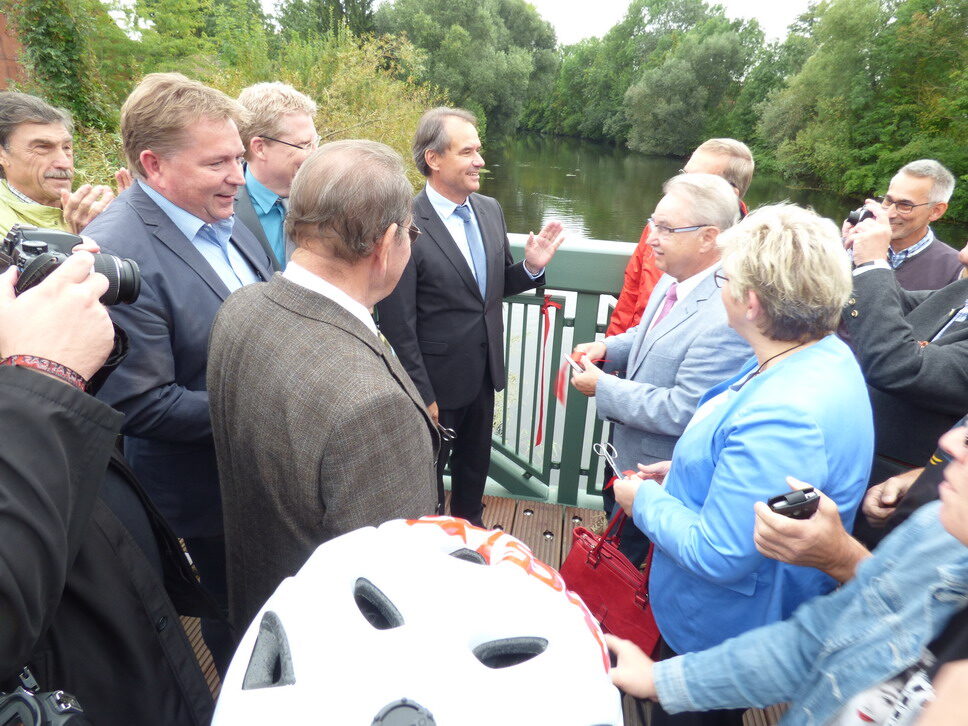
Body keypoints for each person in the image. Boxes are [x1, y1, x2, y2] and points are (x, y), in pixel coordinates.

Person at [611, 203, 873, 726]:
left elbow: (722, 554)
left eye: (724, 278)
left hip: (716, 632)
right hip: (734, 621)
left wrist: (644, 502)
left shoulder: (786, 413)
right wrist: (684, 473)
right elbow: (749, 475)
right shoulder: (820, 356)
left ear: (750, 301)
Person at [84, 72, 275, 672]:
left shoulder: (227, 216)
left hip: (264, 475)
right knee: (242, 632)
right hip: (208, 495)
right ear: (153, 165)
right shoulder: (114, 254)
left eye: (240, 158)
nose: (238, 178)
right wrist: (279, 409)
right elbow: (141, 404)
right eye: (218, 162)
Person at [208, 140, 439, 629]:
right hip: (325, 651)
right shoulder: (375, 409)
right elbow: (391, 596)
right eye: (411, 234)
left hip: (255, 615)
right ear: (385, 242)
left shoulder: (239, 310)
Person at [606, 423, 968, 726]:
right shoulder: (935, 534)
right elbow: (815, 640)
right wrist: (663, 680)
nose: (950, 440)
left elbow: (721, 554)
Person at [0, 251, 216, 725]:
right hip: (78, 682)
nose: (234, 178)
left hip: (132, 627)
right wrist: (42, 373)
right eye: (216, 167)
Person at [375, 107, 564, 526]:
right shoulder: (404, 221)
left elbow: (489, 290)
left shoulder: (490, 210)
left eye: (478, 150)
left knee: (473, 475)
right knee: (423, 482)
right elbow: (396, 322)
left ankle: (470, 538)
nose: (480, 160)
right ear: (434, 159)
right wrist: (423, 395)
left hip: (483, 375)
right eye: (467, 151)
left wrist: (531, 269)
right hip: (435, 388)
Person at [571, 174, 751, 562]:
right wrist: (607, 347)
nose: (651, 237)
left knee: (638, 575)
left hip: (666, 482)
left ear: (709, 237)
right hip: (630, 467)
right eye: (654, 222)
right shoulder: (676, 277)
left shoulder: (727, 313)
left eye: (666, 228)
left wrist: (602, 387)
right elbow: (648, 334)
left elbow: (685, 409)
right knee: (620, 556)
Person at [843, 201, 968, 546]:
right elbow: (890, 301)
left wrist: (872, 262)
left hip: (907, 506)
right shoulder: (963, 291)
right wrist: (856, 256)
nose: (962, 256)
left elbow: (899, 365)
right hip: (859, 471)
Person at [606, 138, 753, 337]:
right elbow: (630, 296)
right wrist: (610, 355)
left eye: (697, 181)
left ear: (730, 193)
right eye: (684, 174)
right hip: (635, 351)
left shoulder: (753, 256)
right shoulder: (659, 227)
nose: (682, 185)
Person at [0, 91, 114, 235]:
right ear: (2, 154)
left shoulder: (89, 212)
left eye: (67, 148)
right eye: (42, 147)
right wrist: (83, 236)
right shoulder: (5, 226)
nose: (64, 163)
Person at [235, 81, 318, 270]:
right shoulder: (220, 212)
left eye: (315, 142)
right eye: (305, 144)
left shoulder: (330, 197)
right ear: (260, 148)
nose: (315, 155)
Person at [845, 159, 960, 291]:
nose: (889, 214)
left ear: (936, 211)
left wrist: (873, 264)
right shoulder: (858, 244)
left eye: (905, 205)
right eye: (888, 201)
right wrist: (841, 250)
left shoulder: (955, 270)